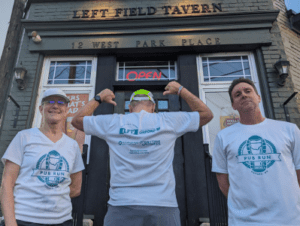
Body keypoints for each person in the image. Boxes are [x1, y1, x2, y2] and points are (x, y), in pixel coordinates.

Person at [71, 81, 213, 226]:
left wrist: (99, 98)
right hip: (163, 206)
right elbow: (206, 114)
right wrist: (181, 90)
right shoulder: (168, 121)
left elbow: (76, 120)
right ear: (153, 107)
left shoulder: (114, 122)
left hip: (122, 205)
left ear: (130, 108)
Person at [212, 78, 300, 225]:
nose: (244, 95)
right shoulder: (223, 136)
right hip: (244, 220)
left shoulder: (290, 130)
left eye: (248, 91)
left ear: (258, 97)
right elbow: (223, 182)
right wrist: (242, 207)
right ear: (233, 105)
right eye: (237, 94)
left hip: (288, 218)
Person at [0, 88, 85, 226]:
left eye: (61, 103)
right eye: (50, 101)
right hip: (24, 219)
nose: (55, 106)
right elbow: (6, 184)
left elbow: (75, 188)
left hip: (62, 221)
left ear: (66, 110)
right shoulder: (24, 137)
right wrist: (10, 222)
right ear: (41, 109)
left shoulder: (72, 145)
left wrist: (50, 195)